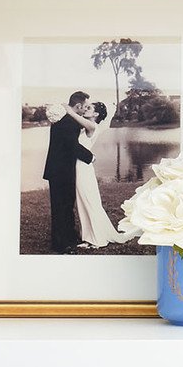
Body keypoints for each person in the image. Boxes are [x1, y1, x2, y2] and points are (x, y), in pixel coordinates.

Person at [42, 90, 96, 253]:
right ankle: (61, 244)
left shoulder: (66, 119)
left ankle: (70, 237)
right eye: (84, 106)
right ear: (78, 106)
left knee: (66, 205)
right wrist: (90, 157)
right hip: (60, 171)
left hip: (62, 169)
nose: (85, 109)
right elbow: (72, 146)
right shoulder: (68, 122)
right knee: (61, 208)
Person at [67, 100, 123, 249]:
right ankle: (88, 237)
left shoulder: (92, 126)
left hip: (83, 169)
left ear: (96, 114)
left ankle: (97, 239)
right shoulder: (88, 125)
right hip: (80, 167)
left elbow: (72, 114)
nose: (85, 108)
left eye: (89, 107)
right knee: (83, 202)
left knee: (88, 201)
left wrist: (66, 109)